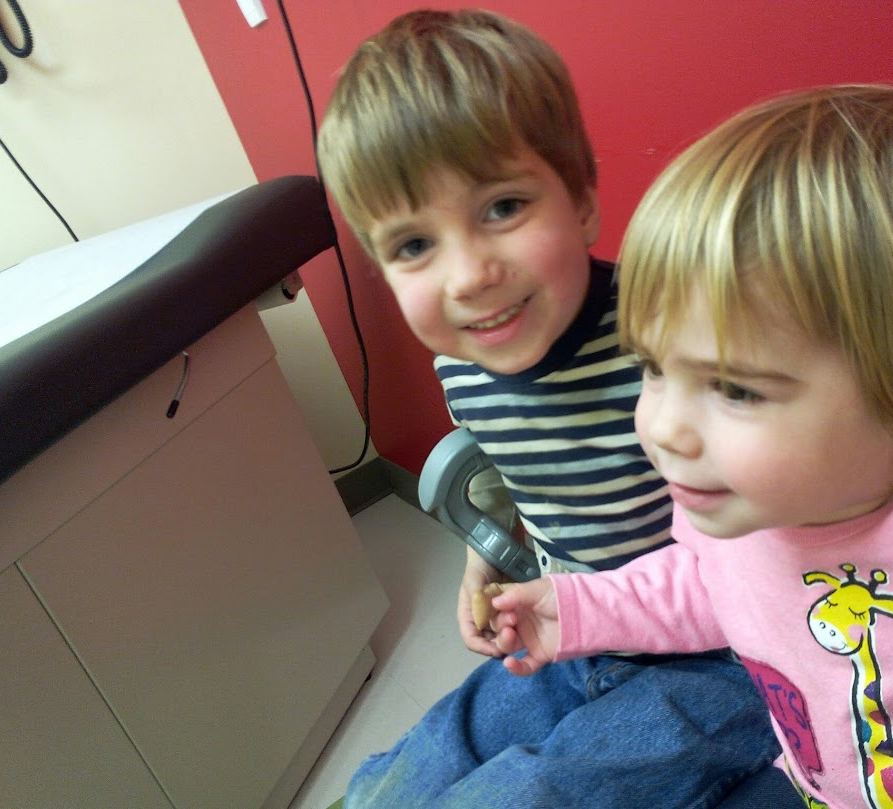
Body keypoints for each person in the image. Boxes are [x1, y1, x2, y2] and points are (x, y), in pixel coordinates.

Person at [490, 84, 893, 807]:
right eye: (653, 367)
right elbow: (709, 583)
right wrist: (581, 608)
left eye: (735, 389)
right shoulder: (736, 499)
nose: (662, 427)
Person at [316, 8, 794, 809]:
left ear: (580, 204)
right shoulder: (462, 364)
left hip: (722, 651)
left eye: (501, 207)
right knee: (413, 767)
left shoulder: (671, 335)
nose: (468, 274)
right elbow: (515, 474)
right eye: (413, 245)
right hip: (570, 625)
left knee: (533, 791)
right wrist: (487, 557)